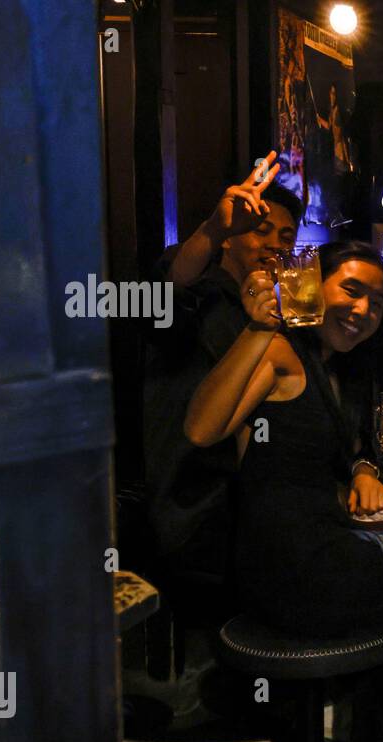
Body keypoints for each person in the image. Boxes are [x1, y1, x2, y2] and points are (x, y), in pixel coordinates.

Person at [183, 241, 383, 636]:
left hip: (318, 554)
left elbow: (347, 446)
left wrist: (362, 470)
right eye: (351, 291)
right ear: (312, 285)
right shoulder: (280, 351)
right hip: (290, 572)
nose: (362, 310)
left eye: (376, 302)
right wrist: (259, 327)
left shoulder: (341, 369)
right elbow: (201, 429)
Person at [141, 153, 304, 595]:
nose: (275, 243)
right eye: (261, 229)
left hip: (248, 494)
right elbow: (167, 287)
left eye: (286, 236)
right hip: (195, 499)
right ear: (231, 240)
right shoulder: (206, 294)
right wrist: (215, 227)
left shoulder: (277, 314)